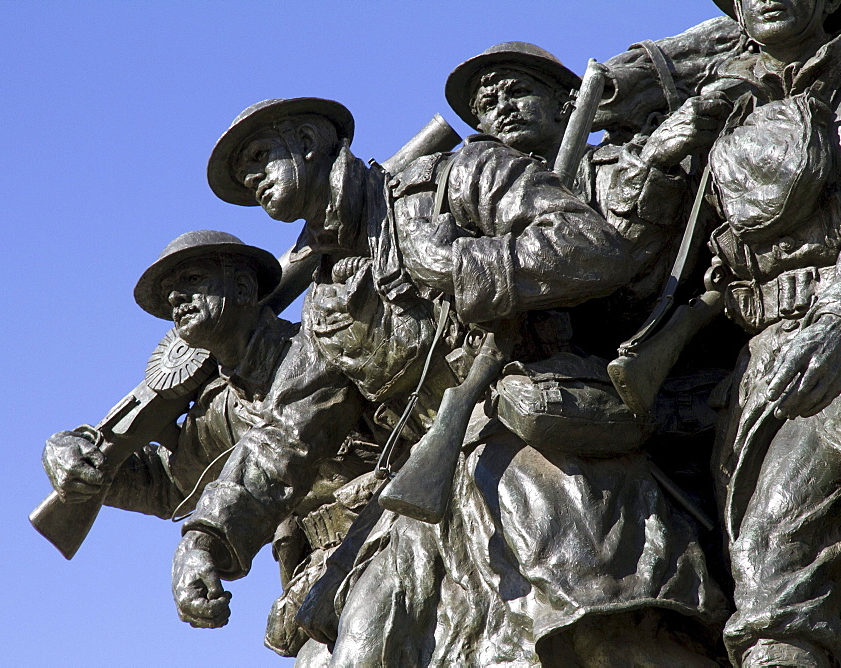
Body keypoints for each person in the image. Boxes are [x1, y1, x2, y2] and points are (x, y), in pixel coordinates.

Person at [170, 95, 645, 661]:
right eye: (246, 175)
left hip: (531, 427)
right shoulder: (327, 304)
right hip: (427, 490)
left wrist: (456, 266)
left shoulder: (457, 177)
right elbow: (285, 436)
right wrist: (206, 537)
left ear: (307, 143)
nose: (253, 178)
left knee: (572, 595)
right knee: (355, 647)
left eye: (259, 156)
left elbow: (594, 247)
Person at [317, 43, 732, 666]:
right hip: (512, 402)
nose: (499, 109)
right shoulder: (463, 202)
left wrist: (659, 171)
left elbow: (632, 279)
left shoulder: (619, 169)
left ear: (570, 104)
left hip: (643, 384)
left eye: (518, 91)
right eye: (485, 105)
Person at [648, 0, 841, 664]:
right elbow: (648, 276)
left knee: (778, 578)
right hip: (759, 373)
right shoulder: (723, 118)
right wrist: (658, 172)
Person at [40, 229, 378, 655]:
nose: (176, 299)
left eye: (193, 280)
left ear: (242, 287)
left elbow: (281, 446)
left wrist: (200, 540)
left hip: (391, 523)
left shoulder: (319, 343)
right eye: (169, 294)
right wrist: (74, 452)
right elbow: (168, 484)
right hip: (323, 567)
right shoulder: (219, 409)